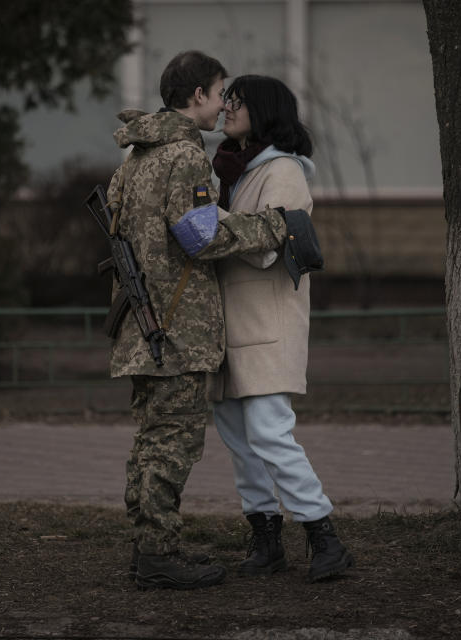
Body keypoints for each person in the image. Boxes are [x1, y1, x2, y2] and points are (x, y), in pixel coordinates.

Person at [106, 52, 288, 591]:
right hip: (176, 332)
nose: (223, 103)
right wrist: (271, 229)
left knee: (150, 444)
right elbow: (201, 236)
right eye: (219, 91)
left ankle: (149, 548)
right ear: (197, 96)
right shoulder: (185, 156)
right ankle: (159, 557)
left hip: (141, 328)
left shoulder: (135, 158)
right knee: (172, 446)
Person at [210, 75, 354, 582]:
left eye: (236, 101)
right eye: (224, 98)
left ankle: (324, 537)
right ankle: (266, 539)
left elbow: (271, 244)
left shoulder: (283, 171)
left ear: (264, 110)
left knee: (271, 435)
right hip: (228, 328)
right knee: (239, 440)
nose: (225, 107)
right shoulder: (232, 170)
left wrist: (207, 226)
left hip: (267, 326)